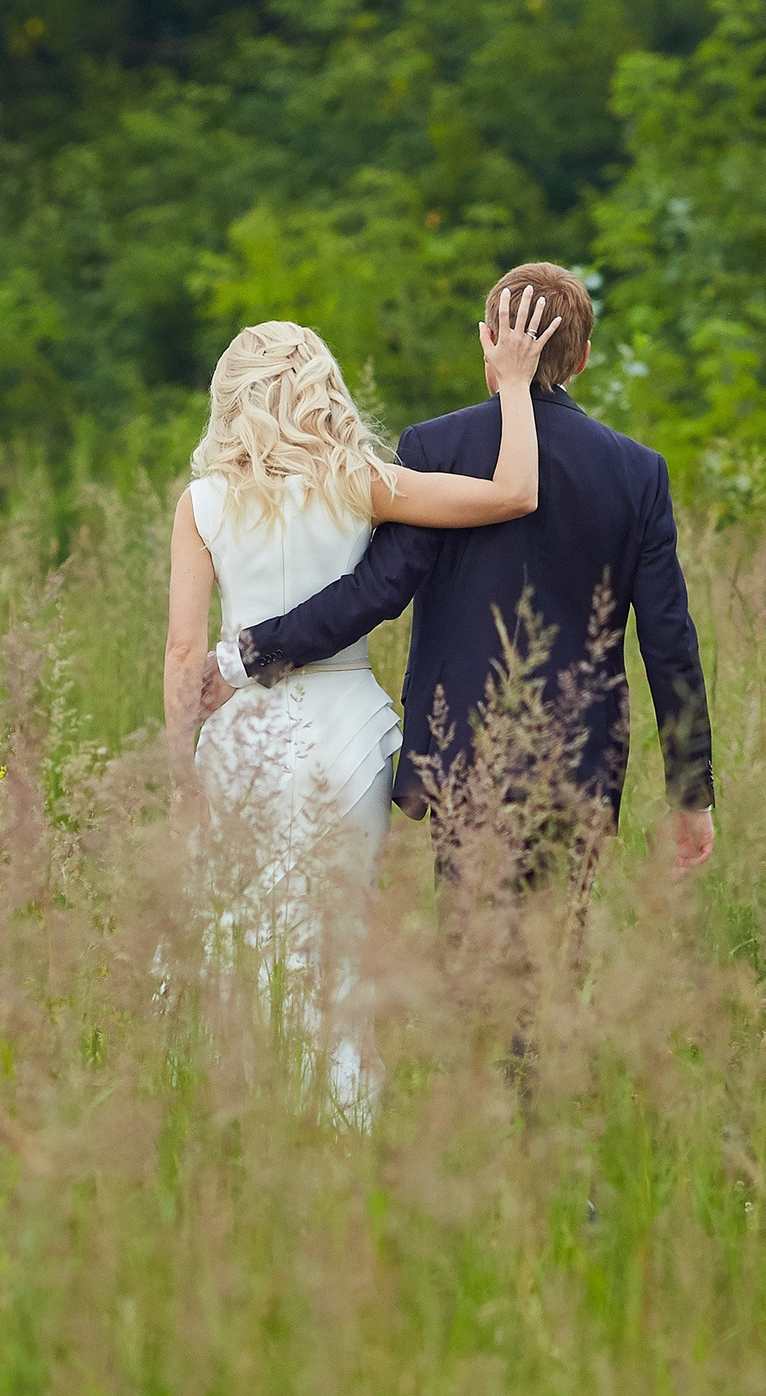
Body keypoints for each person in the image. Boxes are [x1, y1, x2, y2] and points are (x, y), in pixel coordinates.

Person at [163, 290, 561, 1119]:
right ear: (323, 387)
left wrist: (178, 776)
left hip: (238, 738)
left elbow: (181, 652)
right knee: (339, 956)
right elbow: (515, 492)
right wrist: (518, 388)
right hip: (346, 735)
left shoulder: (202, 502)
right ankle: (346, 1133)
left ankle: (238, 1125)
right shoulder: (361, 483)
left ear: (231, 394)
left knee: (235, 942)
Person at [203, 262, 714, 907]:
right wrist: (691, 795)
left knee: (470, 955)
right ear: (583, 357)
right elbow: (669, 642)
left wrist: (251, 653)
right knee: (558, 949)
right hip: (580, 759)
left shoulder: (436, 447)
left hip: (462, 753)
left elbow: (375, 591)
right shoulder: (638, 472)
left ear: (488, 342)